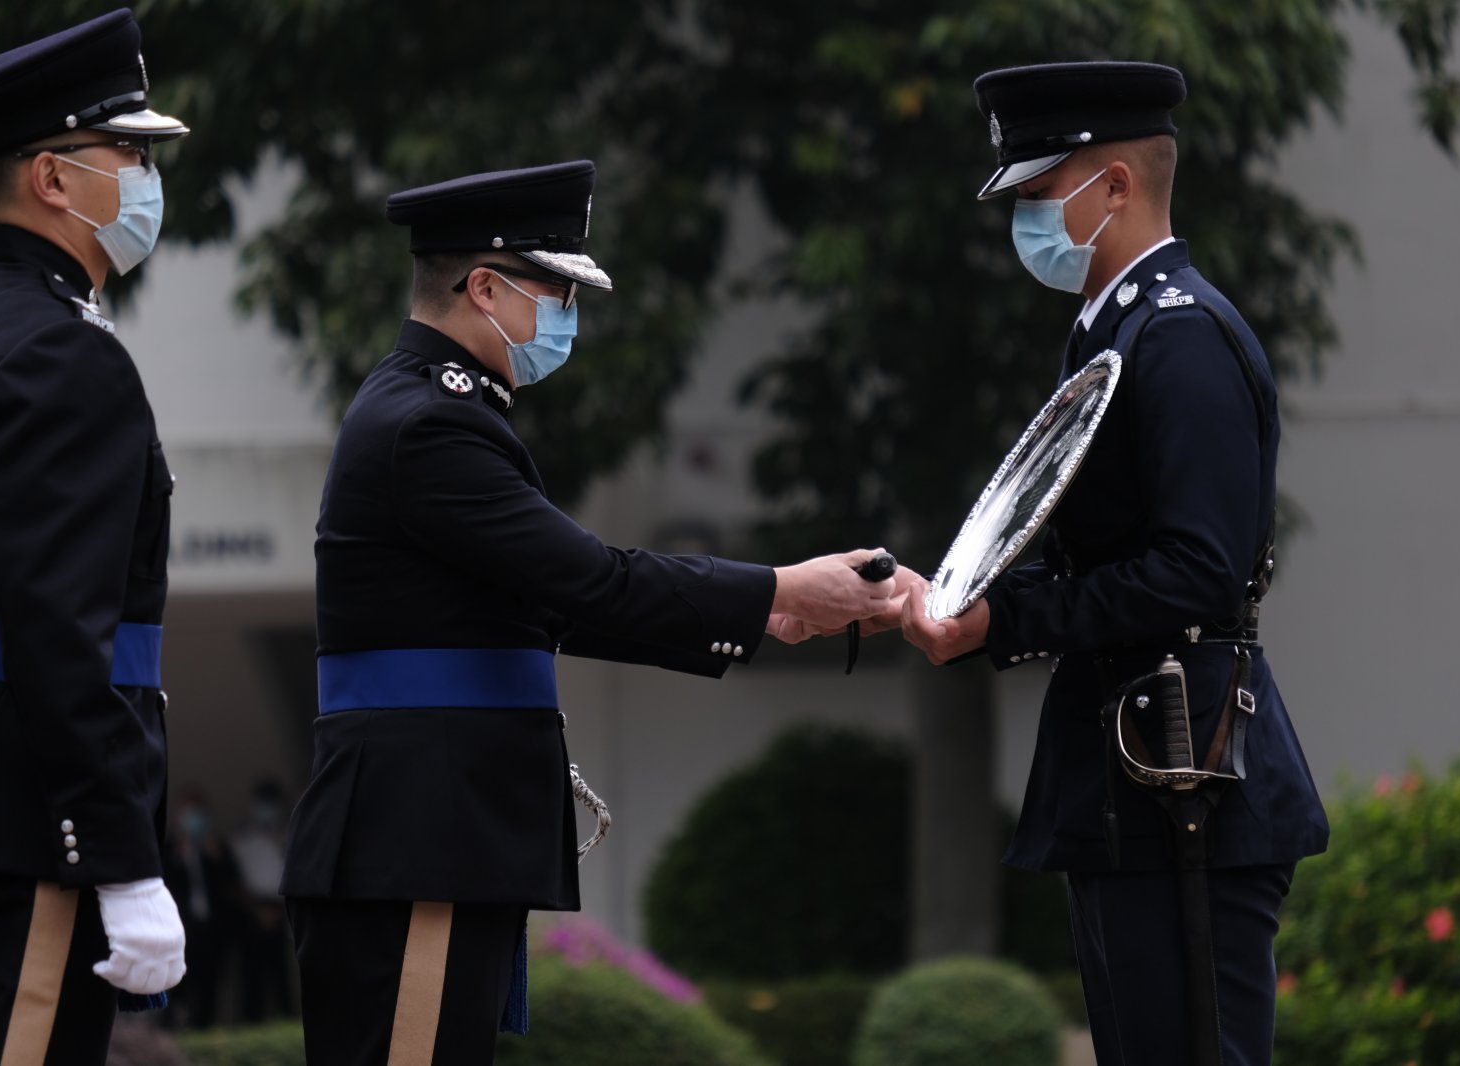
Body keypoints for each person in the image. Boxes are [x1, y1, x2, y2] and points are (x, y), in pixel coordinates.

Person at [280, 160, 902, 1066]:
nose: (567, 316)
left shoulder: (442, 411)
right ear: (485, 287)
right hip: (418, 837)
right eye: (555, 290)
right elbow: (589, 578)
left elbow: (550, 604)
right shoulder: (431, 424)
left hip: (433, 835)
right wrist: (778, 589)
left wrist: (768, 613)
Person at [899, 62, 1330, 1066]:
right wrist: (966, 601)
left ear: (1116, 187)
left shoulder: (1178, 337)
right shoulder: (1116, 331)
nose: (1025, 220)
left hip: (1185, 778)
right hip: (1133, 773)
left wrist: (1004, 620)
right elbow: (1100, 557)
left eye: (1040, 193)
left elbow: (1197, 573)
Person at [0, 9, 190, 1064]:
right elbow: (59, 631)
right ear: (53, 178)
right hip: (27, 819)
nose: (145, 175)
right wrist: (118, 856)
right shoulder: (59, 356)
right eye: (128, 152)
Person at [160, 790, 244, 1029]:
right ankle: (176, 1027)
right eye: (188, 812)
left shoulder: (217, 848)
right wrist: (178, 857)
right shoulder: (168, 850)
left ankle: (207, 1027)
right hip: (180, 929)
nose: (192, 818)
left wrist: (215, 858)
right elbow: (161, 884)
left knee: (211, 982)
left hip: (212, 928)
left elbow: (233, 886)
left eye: (197, 812)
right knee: (180, 985)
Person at [228, 778, 295, 1022]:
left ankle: (287, 1019)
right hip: (252, 912)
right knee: (252, 976)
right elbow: (232, 880)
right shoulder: (241, 838)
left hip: (282, 911)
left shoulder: (290, 835)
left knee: (281, 975)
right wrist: (255, 909)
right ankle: (252, 1020)